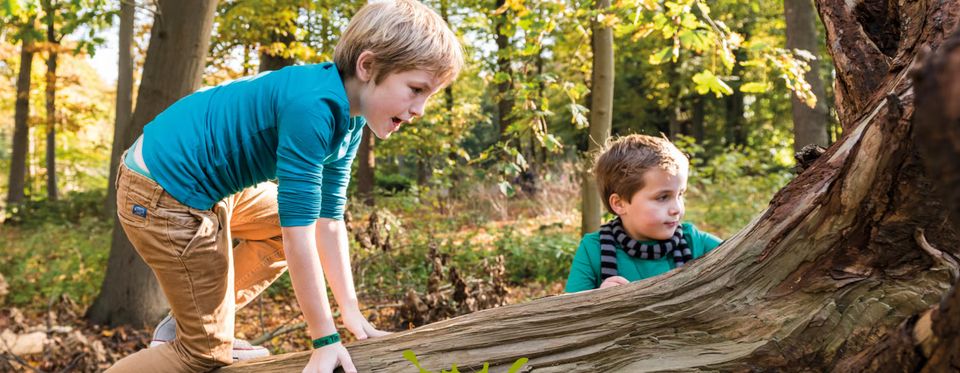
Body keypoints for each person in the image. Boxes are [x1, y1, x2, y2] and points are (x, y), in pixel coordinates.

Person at [106, 1, 463, 372]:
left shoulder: (351, 117)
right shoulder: (312, 107)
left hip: (201, 184)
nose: (420, 108)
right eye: (416, 89)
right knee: (201, 354)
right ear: (368, 66)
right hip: (164, 193)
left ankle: (187, 321)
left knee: (278, 224)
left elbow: (329, 220)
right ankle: (195, 335)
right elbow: (300, 236)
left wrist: (351, 312)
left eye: (429, 95)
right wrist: (324, 338)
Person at [565, 134, 722, 293]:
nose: (677, 208)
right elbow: (568, 311)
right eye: (662, 197)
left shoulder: (695, 242)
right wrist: (597, 299)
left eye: (680, 194)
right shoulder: (594, 249)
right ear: (619, 204)